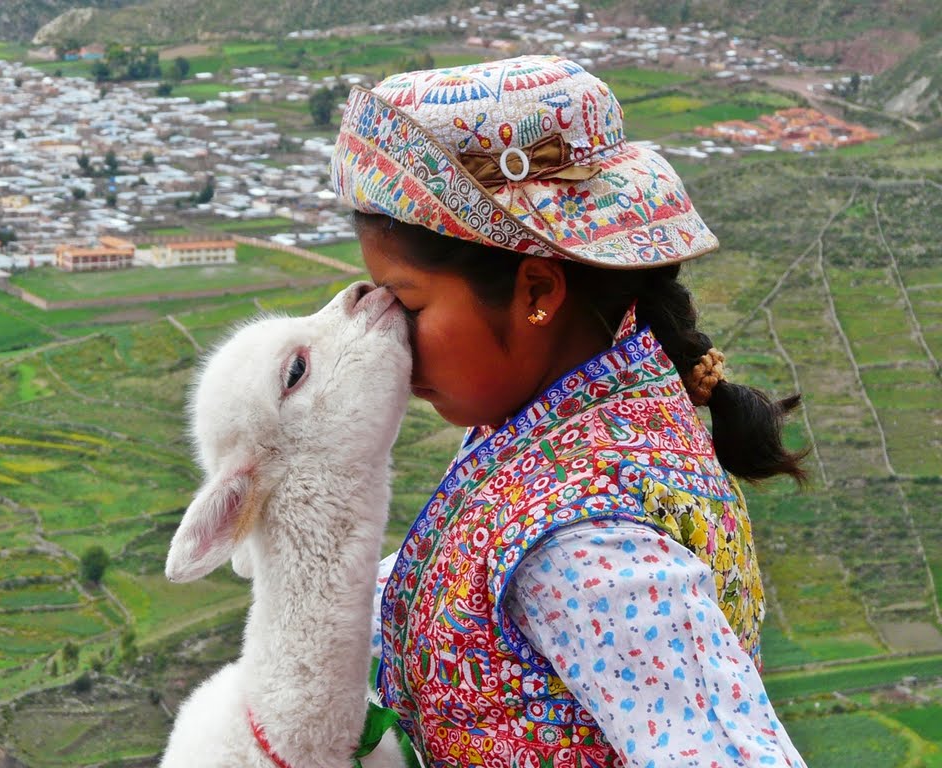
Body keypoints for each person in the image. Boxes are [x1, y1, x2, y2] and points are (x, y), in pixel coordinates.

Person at [331, 55, 808, 768]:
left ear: (536, 292)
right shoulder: (567, 421)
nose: (389, 331)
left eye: (410, 301)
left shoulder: (593, 546)